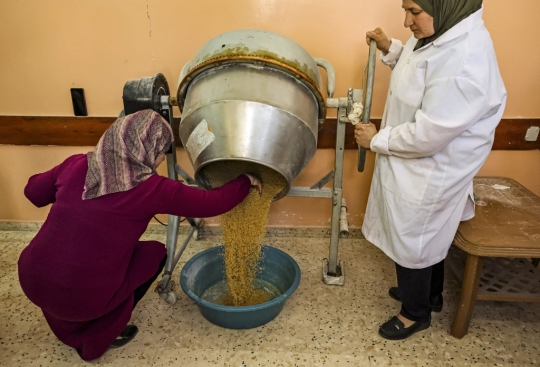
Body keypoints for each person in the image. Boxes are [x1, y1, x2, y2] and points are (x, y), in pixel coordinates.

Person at [18, 109, 262, 360]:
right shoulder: (150, 188)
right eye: (160, 154)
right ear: (149, 150)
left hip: (31, 277)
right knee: (156, 254)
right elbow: (214, 202)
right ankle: (99, 333)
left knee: (67, 276)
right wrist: (245, 180)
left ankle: (70, 323)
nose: (158, 163)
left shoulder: (77, 163)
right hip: (83, 298)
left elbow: (32, 192)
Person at [355, 0, 506, 340]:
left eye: (414, 11)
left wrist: (377, 139)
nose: (406, 21)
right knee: (429, 236)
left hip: (433, 165)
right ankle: (429, 295)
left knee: (414, 237)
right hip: (419, 160)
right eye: (405, 9)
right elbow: (418, 71)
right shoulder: (441, 30)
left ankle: (414, 313)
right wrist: (390, 48)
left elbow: (428, 134)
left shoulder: (465, 58)